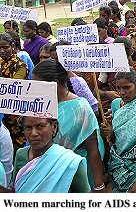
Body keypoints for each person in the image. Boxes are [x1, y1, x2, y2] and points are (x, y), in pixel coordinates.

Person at [32, 60, 106, 191]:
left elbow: (93, 149)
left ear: (54, 83)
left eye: (39, 85)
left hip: (72, 174)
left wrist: (99, 186)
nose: (36, 89)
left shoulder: (80, 108)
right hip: (43, 172)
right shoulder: (40, 105)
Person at [0, 116, 90, 193]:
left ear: (54, 127)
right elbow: (17, 192)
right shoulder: (21, 155)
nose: (33, 133)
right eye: (28, 127)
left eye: (40, 126)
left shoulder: (70, 163)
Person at [0, 33, 28, 151]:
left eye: (5, 47)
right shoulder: (1, 62)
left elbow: (14, 87)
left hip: (14, 113)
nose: (2, 51)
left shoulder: (20, 65)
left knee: (16, 145)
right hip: (2, 111)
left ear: (12, 46)